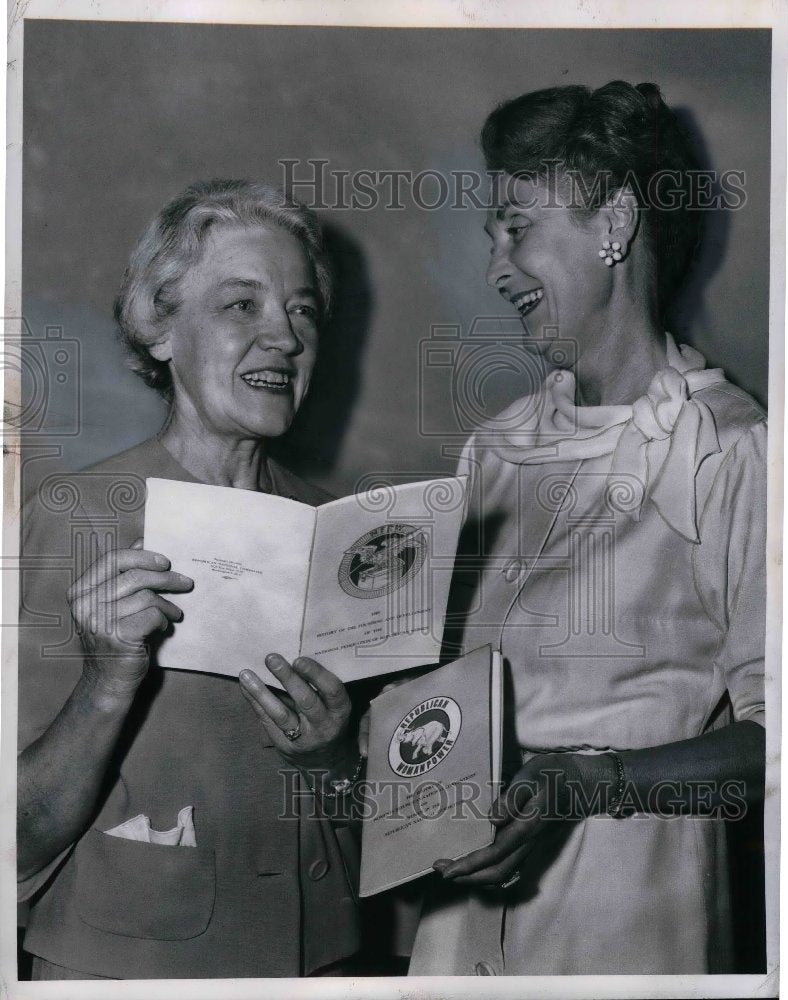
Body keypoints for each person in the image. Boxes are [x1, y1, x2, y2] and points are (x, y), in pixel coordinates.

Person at [408, 82, 766, 975]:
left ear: (614, 223)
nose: (495, 267)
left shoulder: (733, 447)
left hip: (630, 920)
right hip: (461, 925)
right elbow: (442, 709)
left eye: (516, 226)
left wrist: (592, 781)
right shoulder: (492, 450)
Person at [17, 179, 363, 979]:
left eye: (303, 310)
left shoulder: (343, 533)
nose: (285, 337)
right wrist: (105, 684)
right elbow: (14, 840)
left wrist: (334, 758)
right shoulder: (76, 516)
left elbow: (385, 829)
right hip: (131, 969)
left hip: (320, 968)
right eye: (243, 305)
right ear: (161, 328)